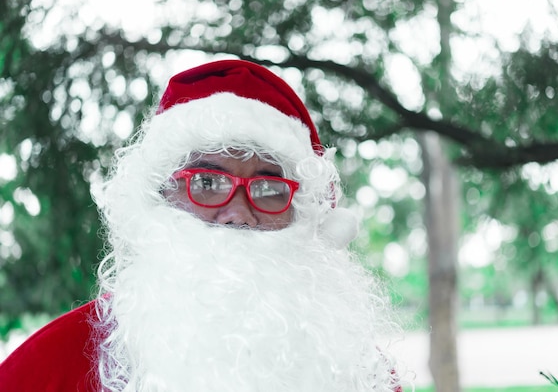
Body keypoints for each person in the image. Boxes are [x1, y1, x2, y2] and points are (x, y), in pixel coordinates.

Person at [0, 59, 402, 391]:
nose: (239, 213)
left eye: (268, 187)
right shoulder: (47, 368)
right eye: (207, 183)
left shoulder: (356, 370)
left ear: (301, 211)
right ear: (160, 197)